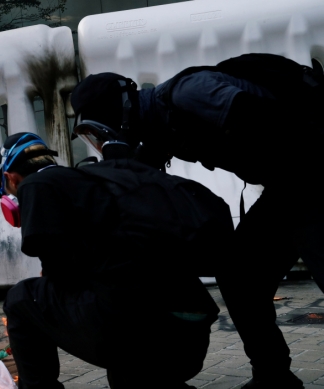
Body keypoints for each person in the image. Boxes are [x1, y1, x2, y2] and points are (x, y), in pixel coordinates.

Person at [70, 55, 324, 389]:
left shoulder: (189, 94)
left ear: (119, 115)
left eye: (98, 132)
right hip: (288, 188)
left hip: (311, 173)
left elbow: (280, 125)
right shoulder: (160, 125)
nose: (100, 142)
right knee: (239, 275)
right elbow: (137, 181)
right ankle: (273, 376)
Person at [0, 132, 226, 389]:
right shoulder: (98, 182)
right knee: (120, 359)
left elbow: (62, 280)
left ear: (10, 178)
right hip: (189, 339)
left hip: (142, 337)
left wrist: (39, 327)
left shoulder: (36, 186)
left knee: (21, 299)